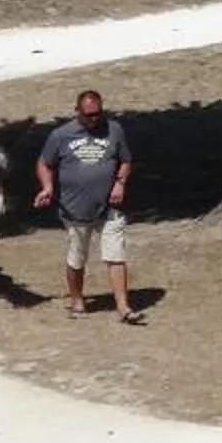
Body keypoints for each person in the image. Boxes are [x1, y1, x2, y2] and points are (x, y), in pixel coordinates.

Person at [34, 88, 138, 323]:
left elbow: (126, 160)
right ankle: (78, 301)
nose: (94, 119)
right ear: (77, 112)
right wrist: (47, 187)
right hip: (74, 209)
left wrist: (120, 183)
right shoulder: (61, 135)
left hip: (109, 207)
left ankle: (123, 307)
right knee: (77, 257)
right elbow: (43, 163)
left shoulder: (114, 130)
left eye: (98, 114)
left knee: (116, 255)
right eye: (88, 115)